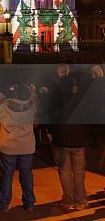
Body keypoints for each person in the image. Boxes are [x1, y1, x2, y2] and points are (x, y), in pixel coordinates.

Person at [0, 82, 38, 212]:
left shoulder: (6, 105)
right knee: (26, 174)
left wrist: (0, 96)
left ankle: (3, 204)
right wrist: (33, 92)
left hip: (8, 146)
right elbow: (36, 103)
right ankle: (29, 203)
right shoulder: (32, 106)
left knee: (7, 174)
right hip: (26, 146)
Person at [49, 64, 88, 211]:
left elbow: (52, 115)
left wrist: (51, 132)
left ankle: (69, 199)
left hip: (63, 139)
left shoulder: (57, 94)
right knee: (79, 172)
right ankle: (81, 200)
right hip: (79, 139)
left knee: (65, 171)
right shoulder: (81, 97)